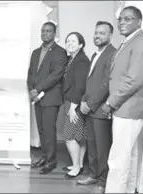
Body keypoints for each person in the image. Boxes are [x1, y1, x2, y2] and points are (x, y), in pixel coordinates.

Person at [103, 6, 143, 193]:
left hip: (129, 108)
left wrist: (110, 102)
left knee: (117, 159)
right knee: (129, 157)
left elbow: (135, 79)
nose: (122, 22)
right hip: (124, 108)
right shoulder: (128, 42)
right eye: (120, 19)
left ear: (139, 21)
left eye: (128, 19)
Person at [77, 21, 116, 193]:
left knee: (102, 149)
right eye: (96, 33)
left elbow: (106, 84)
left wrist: (90, 104)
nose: (97, 36)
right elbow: (90, 82)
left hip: (100, 110)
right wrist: (83, 102)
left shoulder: (112, 54)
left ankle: (102, 181)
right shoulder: (95, 55)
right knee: (92, 146)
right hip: (89, 108)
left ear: (110, 35)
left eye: (102, 33)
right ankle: (93, 174)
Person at [27, 22, 68, 174]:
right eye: (43, 31)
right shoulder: (36, 52)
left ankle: (51, 161)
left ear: (54, 34)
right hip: (36, 97)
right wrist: (31, 89)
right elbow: (31, 73)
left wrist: (37, 89)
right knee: (42, 130)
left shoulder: (60, 52)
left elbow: (56, 75)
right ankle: (44, 156)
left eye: (48, 31)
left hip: (51, 97)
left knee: (49, 130)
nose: (45, 33)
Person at [62, 32, 90, 179]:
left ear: (81, 44)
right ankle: (78, 163)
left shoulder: (81, 61)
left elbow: (80, 85)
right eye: (68, 41)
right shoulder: (72, 60)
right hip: (72, 102)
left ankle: (76, 167)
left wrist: (73, 107)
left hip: (75, 103)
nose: (70, 43)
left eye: (73, 41)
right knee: (79, 135)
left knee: (70, 136)